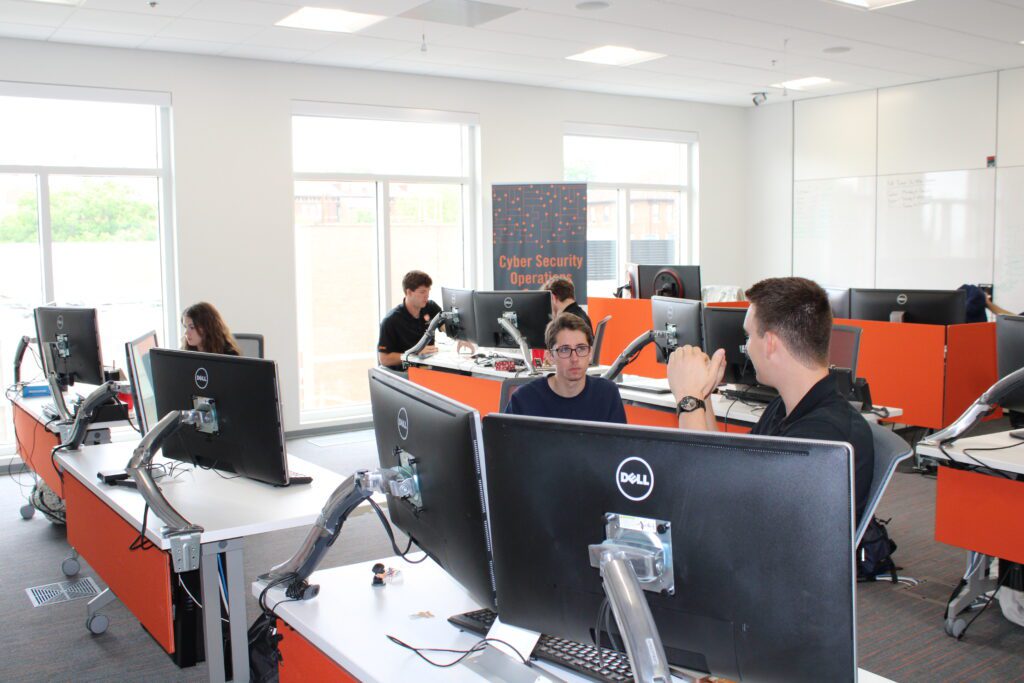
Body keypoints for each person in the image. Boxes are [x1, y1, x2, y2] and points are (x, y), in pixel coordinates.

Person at [666, 277, 875, 522]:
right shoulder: (788, 407)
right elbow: (726, 464)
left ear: (770, 343)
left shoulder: (822, 438)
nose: (747, 347)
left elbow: (708, 497)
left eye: (749, 336)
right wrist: (703, 395)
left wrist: (688, 400)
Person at [504, 312, 626, 424]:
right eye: (564, 350)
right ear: (550, 356)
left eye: (581, 348)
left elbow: (621, 446)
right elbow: (503, 446)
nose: (574, 358)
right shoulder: (524, 399)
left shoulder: (607, 394)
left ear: (590, 353)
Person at [377, 270, 444, 370]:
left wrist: (461, 337)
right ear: (409, 292)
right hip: (404, 372)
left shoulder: (430, 307)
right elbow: (384, 359)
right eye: (422, 292)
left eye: (428, 290)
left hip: (427, 368)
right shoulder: (391, 321)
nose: (427, 295)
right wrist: (414, 353)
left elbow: (445, 326)